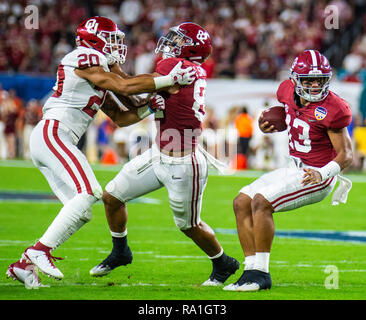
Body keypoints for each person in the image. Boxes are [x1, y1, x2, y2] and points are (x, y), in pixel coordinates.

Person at [6, 16, 196, 288]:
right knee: (89, 192)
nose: (115, 45)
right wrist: (167, 79)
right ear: (94, 40)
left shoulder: (99, 70)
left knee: (80, 209)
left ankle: (24, 265)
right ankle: (38, 252)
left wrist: (150, 106)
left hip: (57, 138)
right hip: (54, 133)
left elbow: (122, 116)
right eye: (111, 38)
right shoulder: (83, 57)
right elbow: (124, 86)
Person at [89, 22, 240, 286]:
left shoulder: (174, 67)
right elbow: (133, 92)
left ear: (190, 48)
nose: (170, 44)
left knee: (189, 225)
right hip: (158, 153)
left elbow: (127, 86)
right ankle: (120, 250)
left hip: (183, 162)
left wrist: (111, 67)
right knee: (112, 196)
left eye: (178, 41)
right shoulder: (186, 69)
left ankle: (223, 262)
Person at [224, 49, 353, 292]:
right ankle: (250, 270)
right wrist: (270, 123)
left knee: (262, 202)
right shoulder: (285, 91)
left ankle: (261, 274)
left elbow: (347, 155)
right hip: (293, 166)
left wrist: (323, 174)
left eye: (320, 80)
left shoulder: (335, 108)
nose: (315, 86)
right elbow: (288, 114)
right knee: (241, 201)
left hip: (317, 174)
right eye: (308, 80)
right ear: (295, 80)